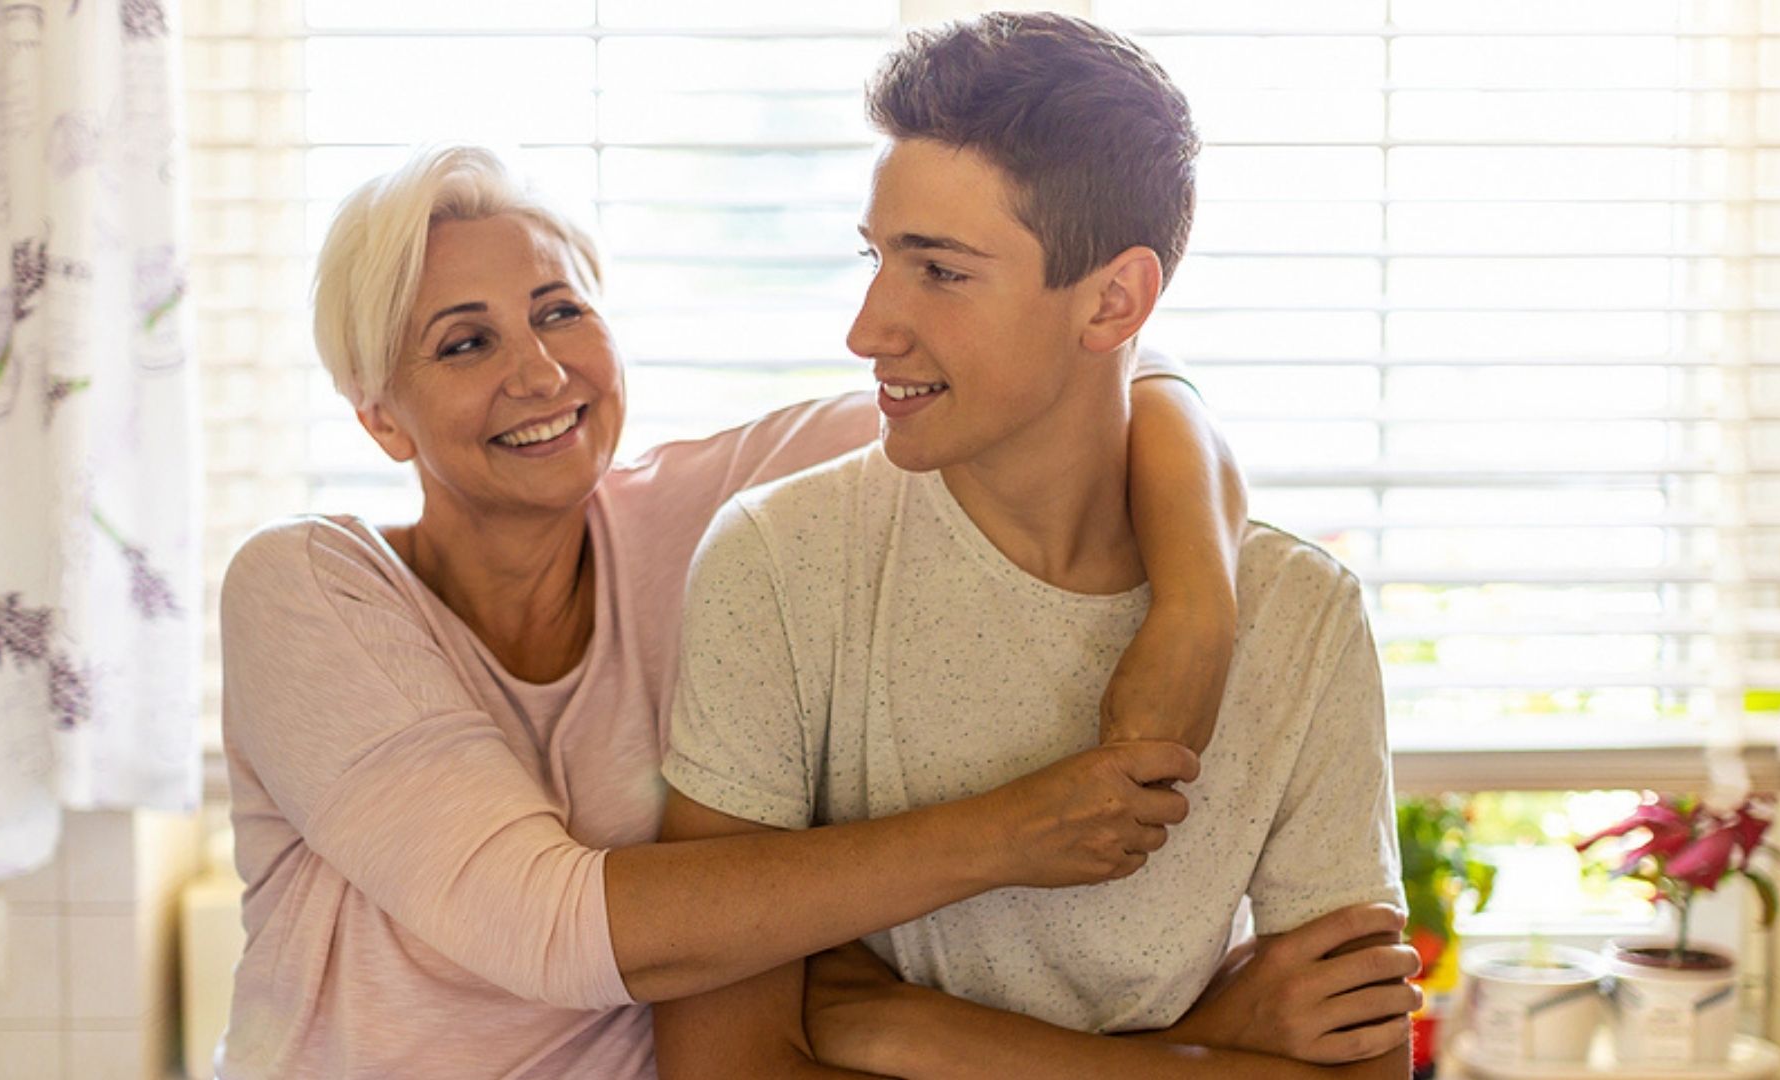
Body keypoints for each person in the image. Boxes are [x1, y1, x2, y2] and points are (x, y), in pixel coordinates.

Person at [215, 141, 1254, 1078]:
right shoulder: (309, 588)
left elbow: (1085, 376)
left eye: (558, 310)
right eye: (463, 345)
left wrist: (1197, 609)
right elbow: (547, 924)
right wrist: (1008, 835)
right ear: (381, 419)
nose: (538, 371)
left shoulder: (713, 517)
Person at [655, 13, 1415, 1080]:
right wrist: (1202, 1056)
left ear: (1114, 301)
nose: (869, 328)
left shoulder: (1302, 616)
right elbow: (725, 1066)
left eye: (941, 272)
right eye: (878, 258)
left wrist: (902, 1029)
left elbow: (1358, 1063)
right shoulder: (779, 564)